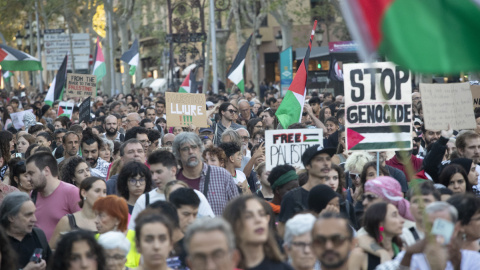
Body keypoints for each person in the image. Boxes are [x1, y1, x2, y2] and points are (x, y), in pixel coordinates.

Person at [128, 150, 214, 231]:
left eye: (159, 172)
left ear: (173, 170)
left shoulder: (197, 196)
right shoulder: (144, 200)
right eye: (152, 173)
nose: (154, 177)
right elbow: (132, 233)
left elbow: (210, 228)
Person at [173, 132, 238, 215]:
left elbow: (237, 210)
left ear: (200, 150)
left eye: (194, 147)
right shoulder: (174, 179)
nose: (190, 152)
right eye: (185, 149)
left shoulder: (222, 175)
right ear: (178, 153)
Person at [279, 145, 335, 235]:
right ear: (307, 165)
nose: (326, 163)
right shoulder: (292, 198)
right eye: (319, 160)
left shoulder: (337, 198)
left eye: (328, 159)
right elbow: (282, 234)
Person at [223, 195, 292, 270]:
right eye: (248, 216)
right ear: (234, 224)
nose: (258, 220)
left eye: (261, 214)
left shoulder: (283, 267)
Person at [26, 152, 81, 240]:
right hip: (41, 252)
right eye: (27, 175)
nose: (28, 179)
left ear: (46, 171)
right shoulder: (33, 195)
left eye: (31, 173)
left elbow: (84, 226)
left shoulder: (71, 192)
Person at [49, 177, 107, 249]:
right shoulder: (67, 221)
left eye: (104, 192)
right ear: (84, 193)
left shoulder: (107, 221)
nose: (102, 196)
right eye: (97, 191)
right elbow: (51, 250)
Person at [0, 192, 51, 270]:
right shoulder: (2, 241)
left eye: (34, 213)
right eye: (28, 215)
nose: (34, 219)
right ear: (11, 217)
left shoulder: (38, 235)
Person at [348, 202, 404, 270]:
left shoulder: (402, 253)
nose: (402, 220)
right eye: (394, 215)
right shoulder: (359, 255)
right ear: (380, 224)